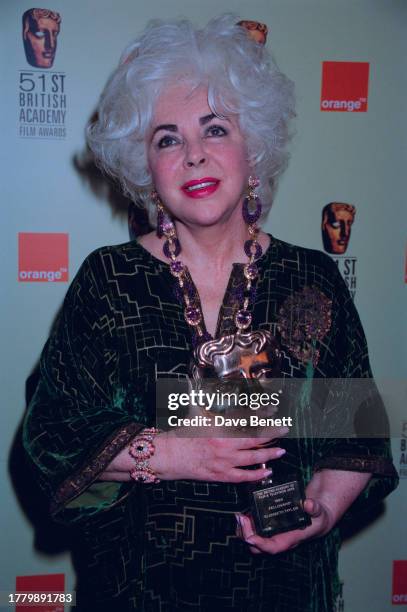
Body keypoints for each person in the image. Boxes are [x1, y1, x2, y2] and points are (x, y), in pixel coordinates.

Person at [23, 15, 397, 611]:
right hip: (142, 590)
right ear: (146, 166)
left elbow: (356, 436)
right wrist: (176, 453)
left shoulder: (312, 278)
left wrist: (322, 511)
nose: (194, 156)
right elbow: (52, 435)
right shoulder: (109, 281)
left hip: (288, 588)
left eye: (215, 129)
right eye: (167, 138)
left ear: (256, 147)